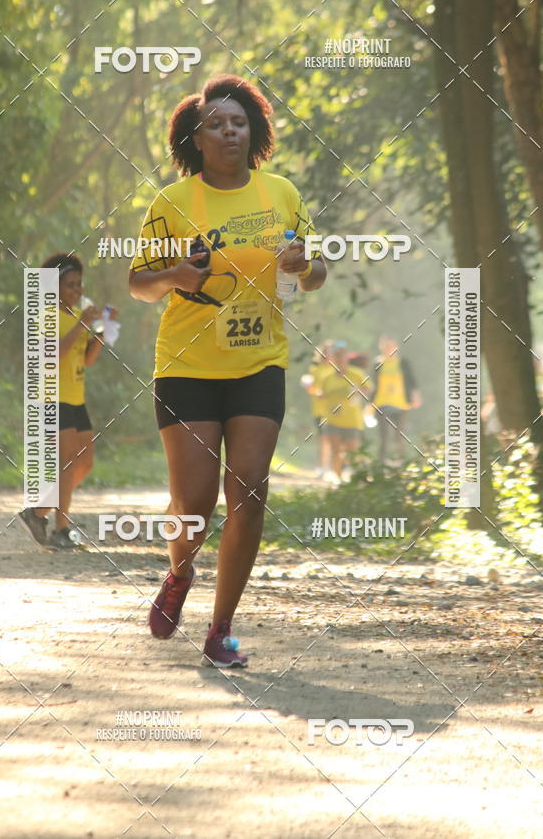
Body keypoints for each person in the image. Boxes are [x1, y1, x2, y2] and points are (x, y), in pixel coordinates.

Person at [129, 74, 326, 668]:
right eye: (215, 124)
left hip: (258, 362)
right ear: (197, 138)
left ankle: (221, 629)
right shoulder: (172, 202)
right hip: (187, 367)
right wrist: (174, 277)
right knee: (193, 503)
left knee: (248, 489)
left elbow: (313, 275)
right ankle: (179, 573)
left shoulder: (281, 194)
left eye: (238, 121)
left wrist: (302, 264)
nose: (229, 131)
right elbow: (138, 284)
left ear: (254, 130)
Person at [19, 253, 116, 550]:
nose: (77, 291)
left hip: (75, 398)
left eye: (79, 285)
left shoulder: (78, 316)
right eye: (70, 285)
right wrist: (81, 324)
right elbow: (52, 355)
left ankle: (37, 512)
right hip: (51, 397)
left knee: (84, 463)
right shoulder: (45, 316)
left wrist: (101, 331)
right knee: (66, 463)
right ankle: (62, 530)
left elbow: (86, 360)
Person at [316, 341, 372, 482]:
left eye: (343, 355)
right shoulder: (327, 377)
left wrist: (358, 392)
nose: (340, 358)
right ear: (333, 358)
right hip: (332, 419)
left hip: (352, 420)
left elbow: (369, 389)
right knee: (335, 451)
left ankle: (356, 479)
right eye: (337, 355)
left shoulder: (357, 374)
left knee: (353, 453)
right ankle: (339, 480)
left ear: (347, 357)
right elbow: (321, 393)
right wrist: (319, 395)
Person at [373, 335, 421, 464]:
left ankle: (402, 463)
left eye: (391, 346)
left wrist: (416, 397)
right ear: (381, 348)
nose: (389, 349)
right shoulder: (378, 363)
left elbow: (412, 381)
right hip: (382, 404)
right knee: (383, 437)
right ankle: (381, 464)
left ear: (396, 347)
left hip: (401, 404)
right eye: (386, 347)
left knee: (399, 436)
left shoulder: (403, 363)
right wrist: (370, 404)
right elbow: (375, 385)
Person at [301, 340, 334, 476]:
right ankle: (322, 467)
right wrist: (315, 391)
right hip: (320, 410)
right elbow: (310, 386)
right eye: (325, 353)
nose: (327, 356)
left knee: (335, 439)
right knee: (323, 439)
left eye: (330, 353)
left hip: (335, 411)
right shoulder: (315, 370)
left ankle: (337, 467)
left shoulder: (336, 369)